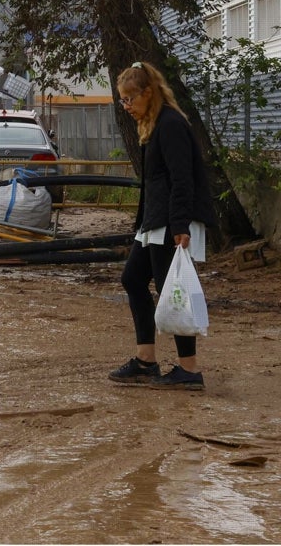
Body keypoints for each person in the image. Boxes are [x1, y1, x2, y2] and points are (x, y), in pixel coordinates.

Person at [108, 61, 217, 391]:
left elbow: (182, 178)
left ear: (148, 92)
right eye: (122, 100)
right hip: (156, 221)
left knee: (177, 292)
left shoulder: (170, 123)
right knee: (133, 279)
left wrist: (180, 225)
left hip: (171, 223)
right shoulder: (154, 123)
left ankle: (189, 370)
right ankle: (146, 361)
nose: (126, 106)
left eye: (130, 99)